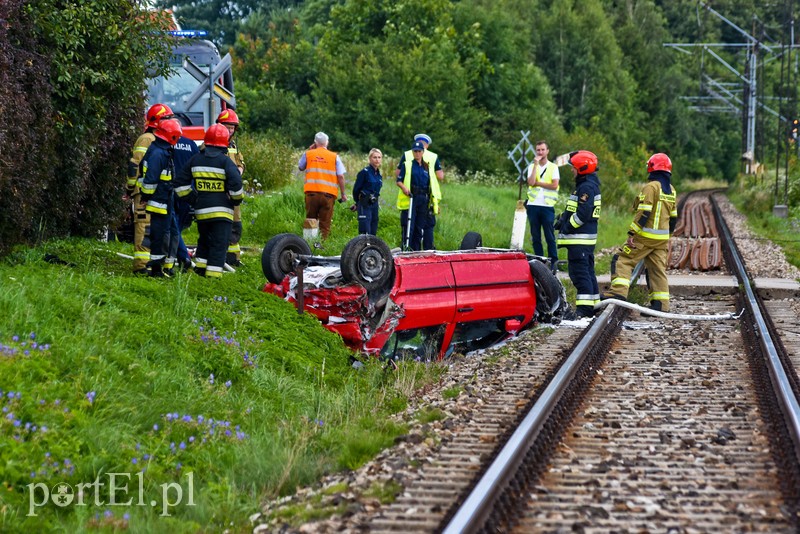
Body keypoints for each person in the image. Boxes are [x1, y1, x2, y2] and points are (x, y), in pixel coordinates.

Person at [601, 153, 677, 311]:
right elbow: (674, 218)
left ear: (652, 168)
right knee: (657, 270)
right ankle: (661, 305)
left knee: (622, 259)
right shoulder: (671, 190)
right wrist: (667, 236)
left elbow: (644, 213)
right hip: (661, 239)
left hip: (645, 237)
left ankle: (618, 293)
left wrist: (632, 234)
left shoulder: (651, 187)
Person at [174, 124, 244, 278]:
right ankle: (212, 277)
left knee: (204, 241)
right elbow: (237, 185)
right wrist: (234, 200)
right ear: (224, 142)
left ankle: (200, 269)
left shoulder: (195, 159)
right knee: (219, 244)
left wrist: (194, 199)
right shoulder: (225, 162)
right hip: (222, 213)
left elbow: (179, 184)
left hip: (202, 211)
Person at [125, 103, 173, 274]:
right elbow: (134, 167)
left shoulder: (162, 140)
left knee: (155, 228)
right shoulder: (147, 139)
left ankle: (153, 264)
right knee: (144, 226)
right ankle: (141, 265)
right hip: (144, 192)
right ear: (158, 121)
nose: (171, 122)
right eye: (167, 118)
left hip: (156, 193)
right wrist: (131, 189)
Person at [556, 150, 601, 318]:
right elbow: (576, 210)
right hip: (583, 241)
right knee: (588, 272)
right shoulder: (587, 185)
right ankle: (594, 304)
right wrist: (562, 220)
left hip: (579, 240)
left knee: (580, 274)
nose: (571, 170)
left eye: (573, 167)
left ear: (582, 168)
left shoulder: (586, 187)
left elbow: (582, 215)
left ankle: (584, 310)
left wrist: (567, 227)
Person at [139, 119, 182, 278]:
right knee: (159, 235)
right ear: (172, 136)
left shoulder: (160, 149)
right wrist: (146, 196)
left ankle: (163, 267)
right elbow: (151, 179)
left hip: (164, 199)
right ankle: (155, 269)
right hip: (159, 201)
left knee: (168, 233)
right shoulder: (159, 153)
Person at [395, 133, 442, 249]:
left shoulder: (426, 166)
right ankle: (407, 249)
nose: (417, 153)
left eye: (419, 151)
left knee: (419, 226)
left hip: (424, 198)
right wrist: (405, 188)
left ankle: (416, 250)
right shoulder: (408, 164)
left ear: (423, 151)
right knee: (409, 226)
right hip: (411, 197)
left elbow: (432, 183)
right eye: (415, 151)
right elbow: (399, 179)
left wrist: (433, 201)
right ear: (412, 152)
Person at [298, 132, 347, 240]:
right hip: (328, 196)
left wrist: (310, 150)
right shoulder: (334, 157)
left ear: (315, 142)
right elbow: (341, 176)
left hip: (311, 194)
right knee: (325, 224)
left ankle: (309, 245)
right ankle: (322, 246)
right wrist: (343, 194)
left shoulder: (308, 154)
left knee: (311, 221)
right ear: (327, 142)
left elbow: (301, 167)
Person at [525, 140, 560, 272]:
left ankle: (553, 261)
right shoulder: (531, 166)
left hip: (547, 206)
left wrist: (538, 184)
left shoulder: (553, 167)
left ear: (547, 151)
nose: (540, 152)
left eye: (542, 149)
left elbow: (554, 185)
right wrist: (535, 165)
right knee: (536, 236)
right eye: (538, 150)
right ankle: (539, 260)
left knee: (549, 235)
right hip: (533, 205)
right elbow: (531, 181)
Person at [216, 109, 245, 266]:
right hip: (218, 192)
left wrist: (239, 171)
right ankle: (218, 258)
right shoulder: (212, 144)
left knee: (235, 226)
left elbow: (241, 162)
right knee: (219, 225)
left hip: (233, 191)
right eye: (227, 127)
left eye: (232, 127)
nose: (230, 130)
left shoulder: (233, 145)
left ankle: (233, 259)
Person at [172, 132, 199, 272]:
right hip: (187, 192)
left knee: (173, 226)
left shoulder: (169, 143)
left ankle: (183, 257)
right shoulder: (191, 144)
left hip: (170, 189)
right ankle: (181, 256)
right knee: (177, 226)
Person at [352, 148, 383, 235]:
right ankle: (364, 248)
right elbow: (356, 189)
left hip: (374, 204)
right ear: (370, 159)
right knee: (365, 231)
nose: (377, 160)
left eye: (379, 157)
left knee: (373, 230)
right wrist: (357, 202)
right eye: (375, 157)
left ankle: (372, 248)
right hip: (365, 204)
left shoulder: (378, 174)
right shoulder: (364, 172)